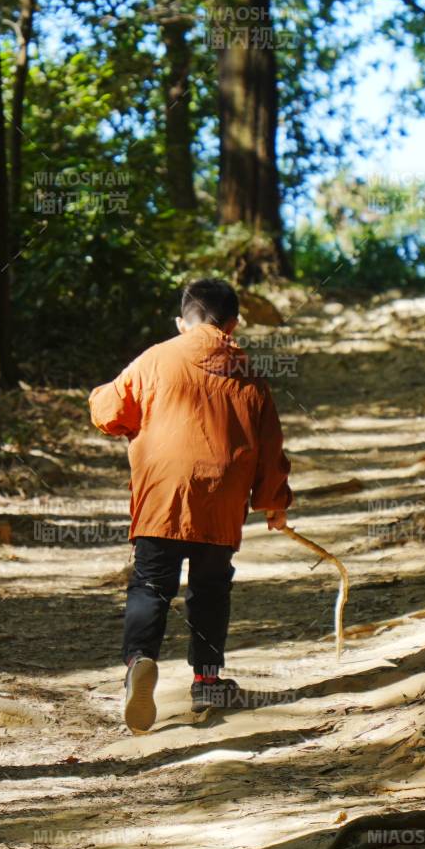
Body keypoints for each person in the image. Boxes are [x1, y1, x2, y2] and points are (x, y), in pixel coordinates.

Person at [88, 278, 293, 733]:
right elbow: (269, 446)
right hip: (221, 502)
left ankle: (140, 661)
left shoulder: (157, 358)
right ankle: (206, 679)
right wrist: (273, 503)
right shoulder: (250, 375)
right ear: (234, 324)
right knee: (211, 587)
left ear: (183, 323)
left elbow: (107, 411)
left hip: (163, 497)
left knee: (150, 585)